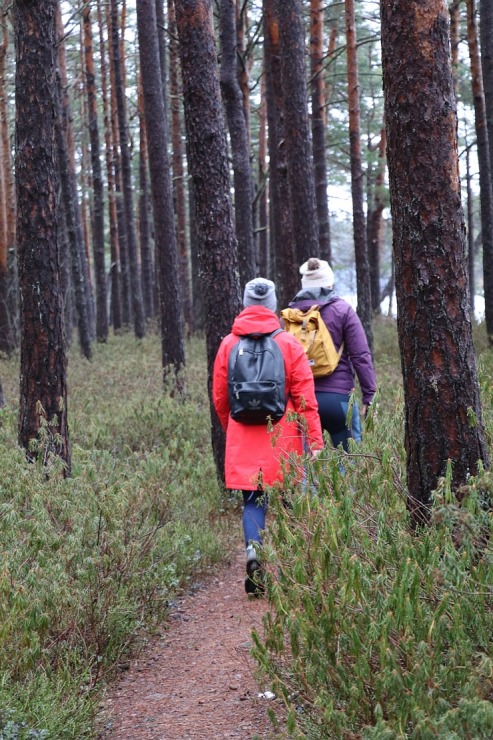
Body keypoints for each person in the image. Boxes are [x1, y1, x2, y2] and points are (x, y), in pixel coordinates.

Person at [212, 278, 324, 596]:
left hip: (243, 433)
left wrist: (231, 427)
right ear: (273, 304)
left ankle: (254, 553)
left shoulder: (228, 345)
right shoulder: (288, 344)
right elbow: (305, 397)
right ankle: (289, 568)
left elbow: (221, 397)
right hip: (283, 435)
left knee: (253, 500)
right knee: (288, 501)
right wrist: (314, 439)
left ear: (246, 303)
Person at [286, 257, 377, 451]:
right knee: (349, 466)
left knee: (305, 470)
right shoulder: (343, 310)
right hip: (339, 398)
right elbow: (360, 356)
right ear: (329, 282)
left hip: (302, 401)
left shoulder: (289, 316)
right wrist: (370, 397)